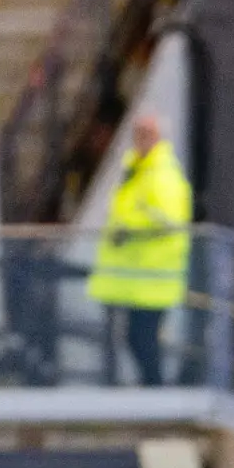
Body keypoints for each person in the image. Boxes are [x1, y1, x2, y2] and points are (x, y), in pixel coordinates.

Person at [85, 113, 189, 385]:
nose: (140, 140)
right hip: (136, 280)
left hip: (152, 280)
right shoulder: (136, 172)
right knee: (135, 339)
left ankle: (156, 393)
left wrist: (129, 229)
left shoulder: (162, 174)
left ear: (157, 138)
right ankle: (152, 390)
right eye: (138, 134)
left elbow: (169, 221)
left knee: (142, 340)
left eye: (147, 134)